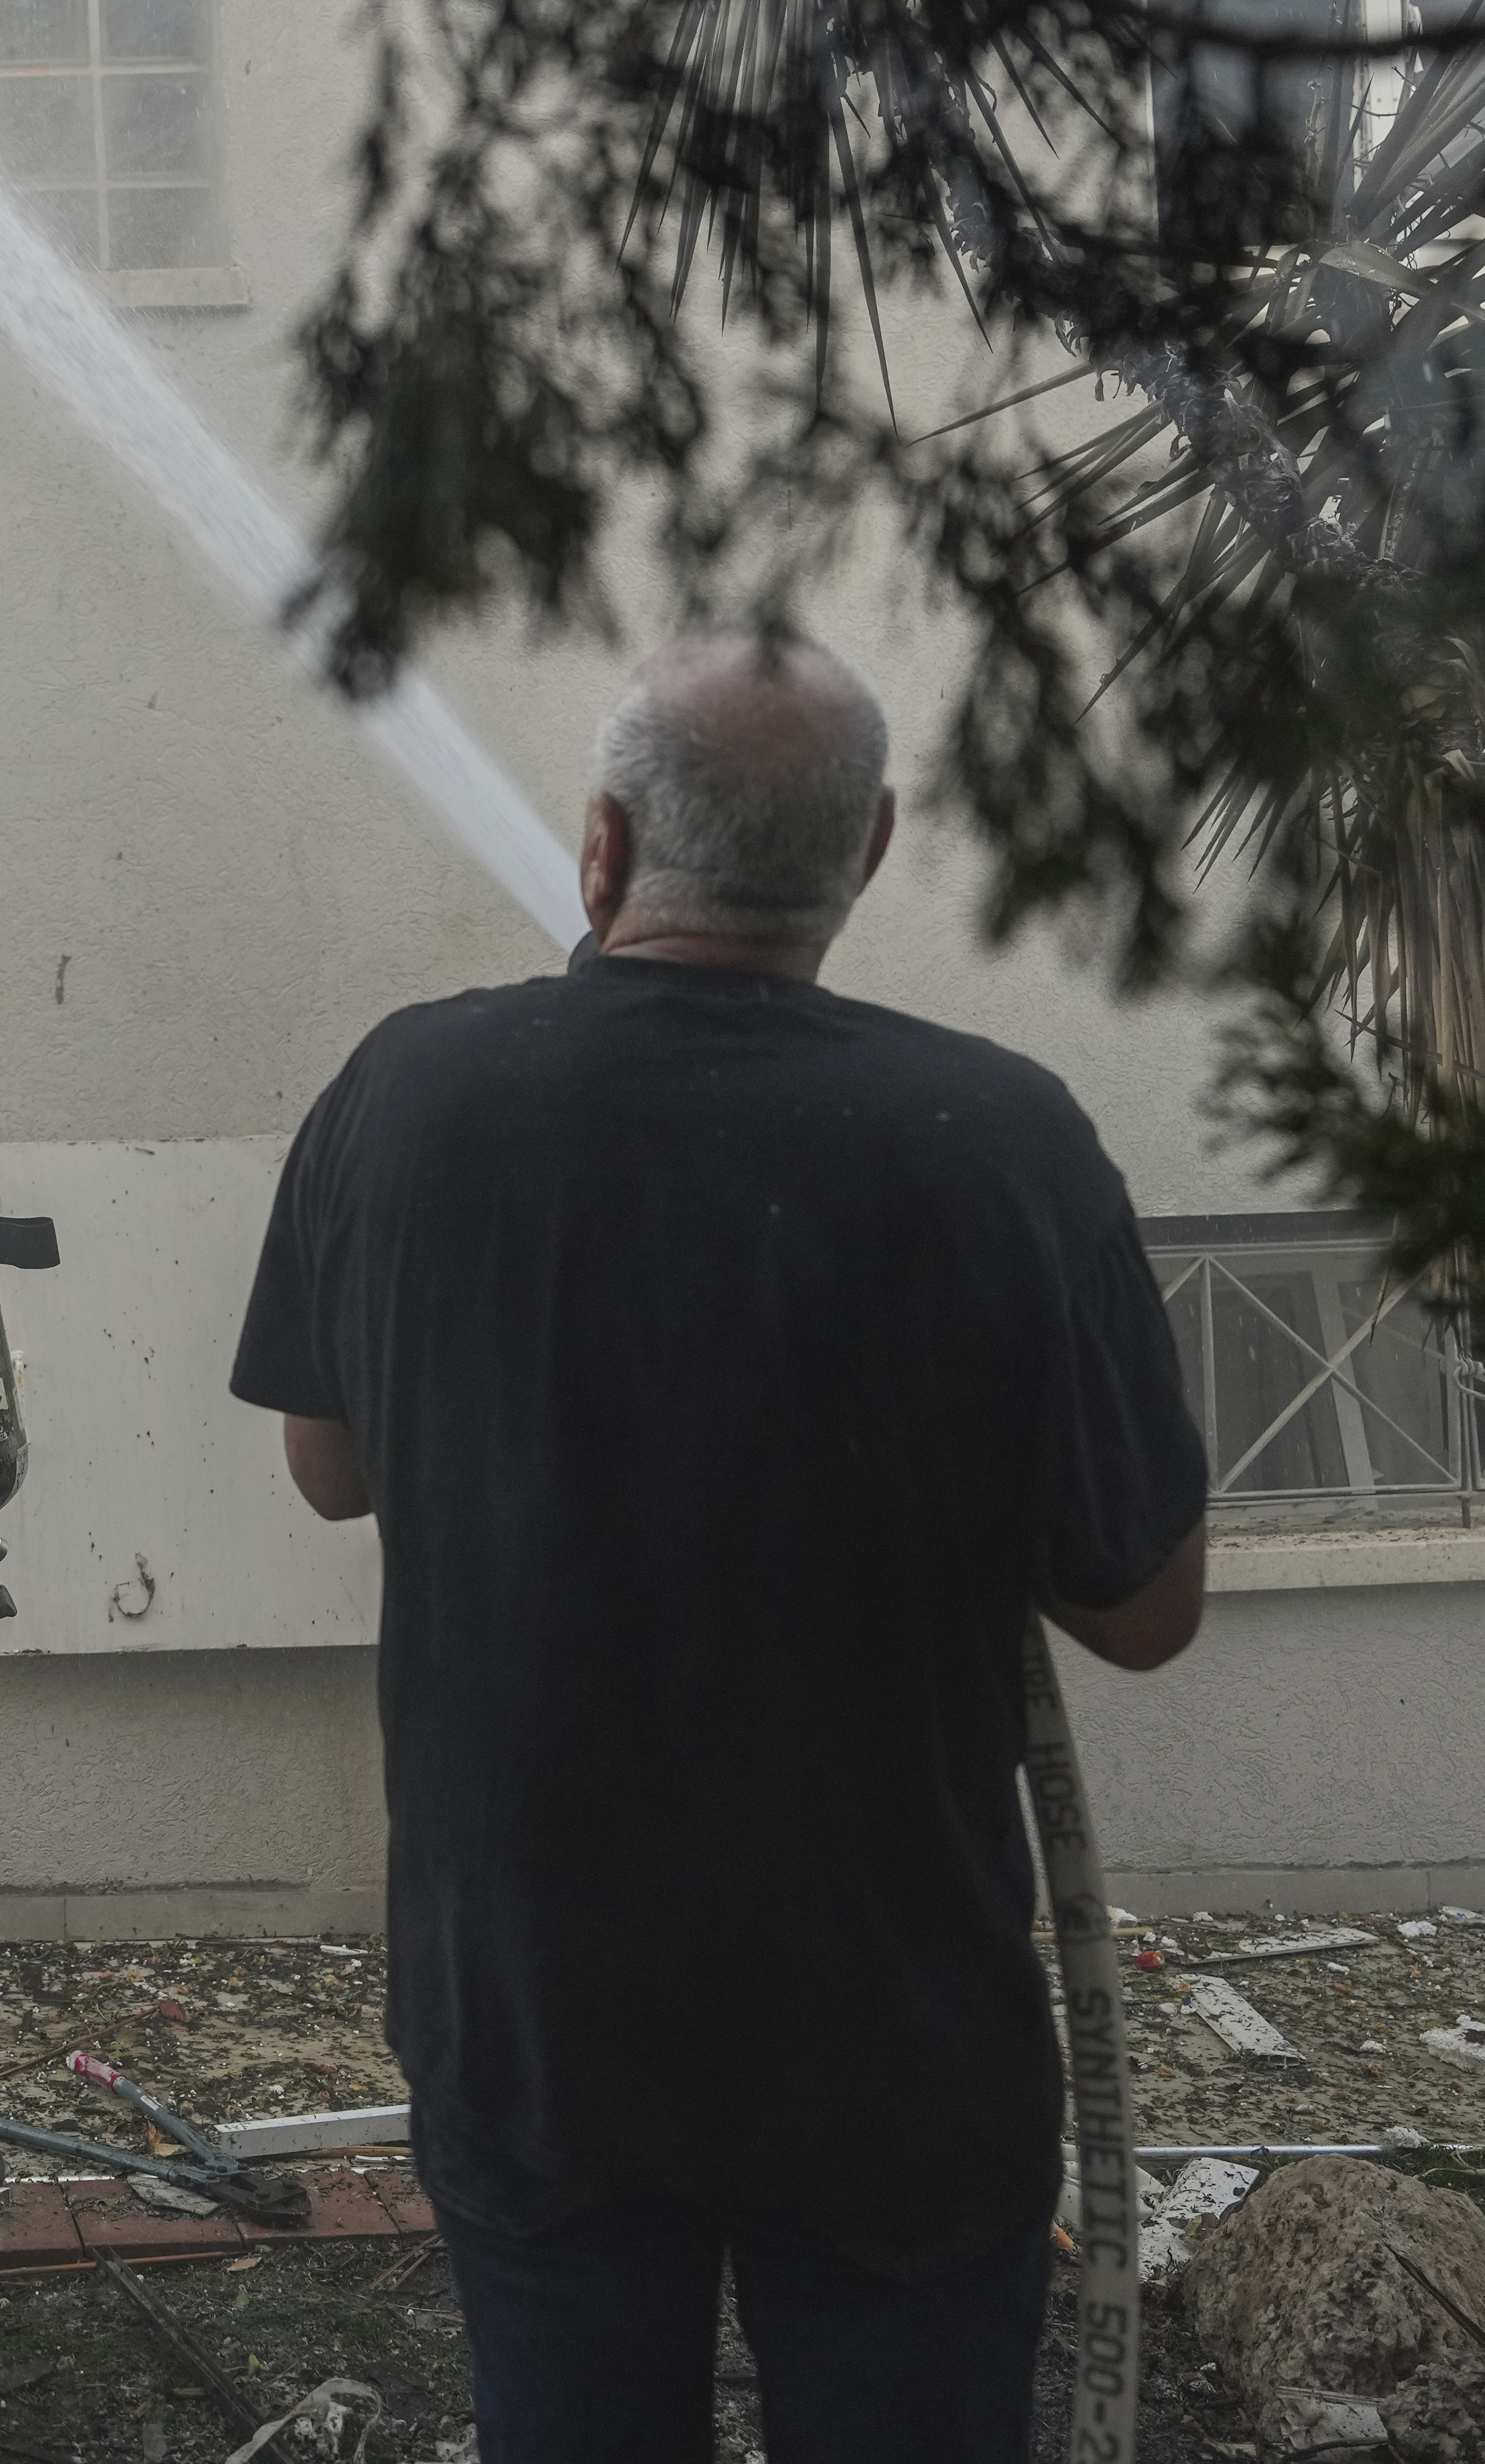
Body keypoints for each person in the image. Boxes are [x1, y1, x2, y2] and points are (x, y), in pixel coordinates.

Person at [226, 631, 1208, 2463]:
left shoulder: (408, 1095)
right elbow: (1144, 1610)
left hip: (537, 2015)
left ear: (599, 848)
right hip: (896, 2038)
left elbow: (326, 1469)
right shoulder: (1000, 1138)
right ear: (875, 847)